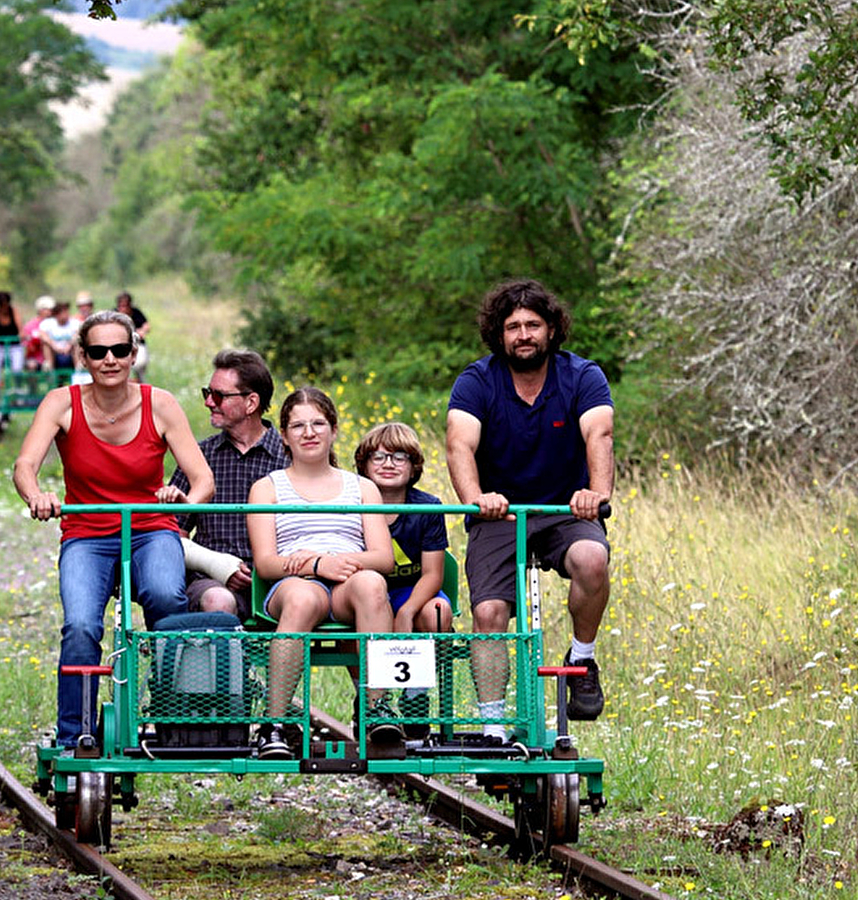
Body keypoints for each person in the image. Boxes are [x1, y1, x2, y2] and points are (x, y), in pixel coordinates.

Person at [12, 311, 215, 750]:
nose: (110, 360)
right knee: (82, 625)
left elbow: (202, 480)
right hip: (87, 532)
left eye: (119, 350)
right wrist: (36, 496)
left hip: (150, 528)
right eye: (99, 351)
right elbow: (25, 465)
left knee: (166, 599)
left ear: (133, 354)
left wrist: (185, 502)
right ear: (82, 356)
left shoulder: (159, 403)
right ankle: (76, 734)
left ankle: (174, 718)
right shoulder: (61, 403)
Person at [446, 277, 614, 736]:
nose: (523, 335)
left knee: (592, 559)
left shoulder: (582, 376)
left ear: (552, 329)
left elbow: (599, 435)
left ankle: (582, 660)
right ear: (499, 335)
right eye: (513, 326)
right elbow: (459, 444)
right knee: (488, 614)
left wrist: (595, 495)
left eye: (533, 325)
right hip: (499, 513)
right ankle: (493, 724)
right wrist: (475, 499)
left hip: (566, 511)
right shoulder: (477, 381)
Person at [246, 386, 399, 758]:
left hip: (348, 580)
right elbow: (266, 563)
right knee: (300, 597)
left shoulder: (362, 488)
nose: (309, 432)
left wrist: (336, 564)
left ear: (333, 429)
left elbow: (383, 557)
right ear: (284, 434)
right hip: (292, 582)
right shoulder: (267, 489)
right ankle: (274, 722)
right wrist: (315, 565)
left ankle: (375, 706)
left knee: (373, 584)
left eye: (318, 423)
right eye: (298, 425)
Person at [169, 349, 290, 616]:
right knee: (218, 600)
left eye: (219, 396)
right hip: (209, 580)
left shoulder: (291, 457)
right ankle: (224, 659)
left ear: (251, 403)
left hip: (281, 581)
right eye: (207, 393)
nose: (209, 403)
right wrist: (219, 567)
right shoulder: (199, 457)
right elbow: (171, 531)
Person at [355, 422, 452, 737]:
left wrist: (408, 610)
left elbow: (433, 573)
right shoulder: (352, 506)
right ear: (364, 465)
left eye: (399, 457)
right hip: (368, 591)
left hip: (413, 591)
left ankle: (415, 696)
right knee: (351, 616)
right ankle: (369, 695)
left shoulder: (427, 507)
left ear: (414, 467)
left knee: (438, 613)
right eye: (378, 457)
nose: (388, 464)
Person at [0, 291, 23, 406]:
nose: (4, 308)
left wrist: (21, 334)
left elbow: (20, 327)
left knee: (17, 370)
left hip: (14, 346)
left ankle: (17, 395)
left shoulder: (13, 311)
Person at [115, 291, 151, 381]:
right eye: (121, 306)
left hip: (137, 343)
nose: (123, 309)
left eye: (125, 306)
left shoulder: (136, 313)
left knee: (140, 364)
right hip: (120, 345)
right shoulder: (114, 314)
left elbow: (146, 325)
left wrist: (142, 331)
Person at [21, 295, 55, 371]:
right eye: (47, 309)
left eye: (51, 310)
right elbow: (27, 345)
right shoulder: (30, 325)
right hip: (35, 358)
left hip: (54, 356)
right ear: (40, 310)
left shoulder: (55, 323)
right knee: (31, 365)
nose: (50, 312)